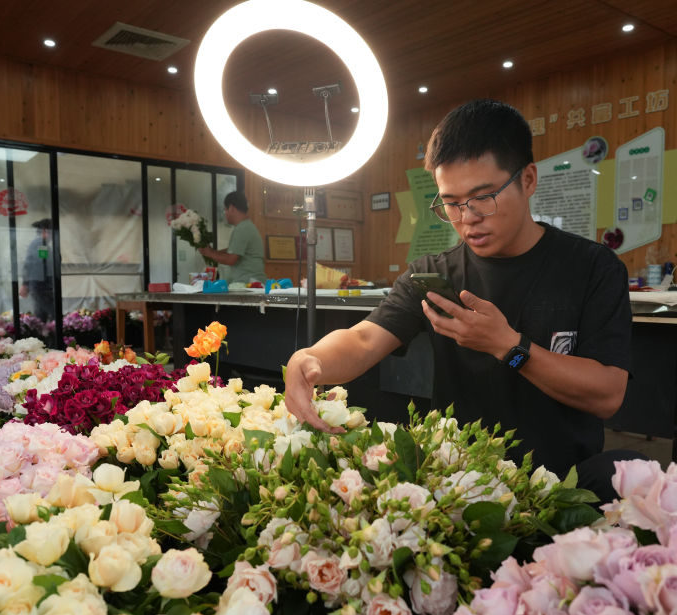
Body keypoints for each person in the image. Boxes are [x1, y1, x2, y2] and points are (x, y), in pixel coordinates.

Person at [283, 99, 635, 501]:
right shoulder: (435, 273)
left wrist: (508, 347)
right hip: (458, 484)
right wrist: (309, 359)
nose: (467, 217)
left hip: (562, 485)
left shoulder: (592, 268)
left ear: (529, 180)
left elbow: (608, 395)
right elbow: (364, 339)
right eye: (450, 202)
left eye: (483, 197)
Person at [199, 191, 267, 285]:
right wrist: (214, 252)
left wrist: (209, 253)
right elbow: (234, 250)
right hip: (251, 283)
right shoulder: (246, 226)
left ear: (231, 208)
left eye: (225, 210)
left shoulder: (242, 228)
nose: (225, 214)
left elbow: (230, 259)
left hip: (249, 284)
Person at [19, 218, 55, 322]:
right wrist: (25, 284)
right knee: (53, 313)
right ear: (45, 231)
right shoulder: (40, 244)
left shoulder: (41, 244)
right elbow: (34, 264)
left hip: (40, 286)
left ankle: (40, 335)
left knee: (41, 315)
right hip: (41, 286)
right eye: (52, 232)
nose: (53, 236)